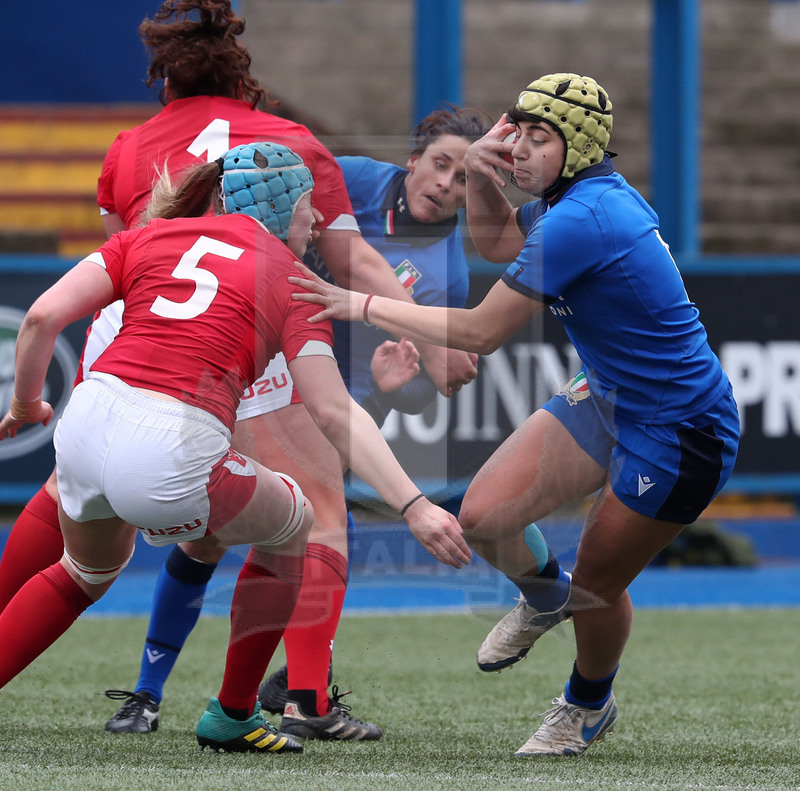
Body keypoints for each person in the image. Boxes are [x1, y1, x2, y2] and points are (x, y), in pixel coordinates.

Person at [0, 0, 476, 738]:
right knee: (307, 513)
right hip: (197, 397)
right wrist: (417, 489)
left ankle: (148, 688)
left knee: (84, 550)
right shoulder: (292, 221)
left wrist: (30, 402)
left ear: (167, 82)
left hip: (111, 375)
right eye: (309, 216)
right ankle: (278, 703)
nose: (315, 224)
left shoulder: (138, 169)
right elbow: (341, 350)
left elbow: (42, 316)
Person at [290, 73, 740, 758]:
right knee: (484, 515)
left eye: (540, 140)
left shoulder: (583, 219)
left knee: (597, 585)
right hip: (609, 393)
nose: (522, 151)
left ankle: (585, 706)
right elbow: (499, 241)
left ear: (580, 148)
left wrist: (363, 305)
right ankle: (544, 594)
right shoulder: (570, 200)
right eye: (518, 136)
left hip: (680, 429)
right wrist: (478, 172)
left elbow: (477, 333)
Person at [107, 104, 492, 742]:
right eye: (441, 164)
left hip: (305, 387)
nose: (446, 184)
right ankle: (205, 696)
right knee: (269, 529)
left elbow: (395, 399)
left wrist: (401, 392)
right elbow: (259, 188)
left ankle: (290, 692)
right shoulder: (350, 181)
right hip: (243, 358)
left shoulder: (446, 274)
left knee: (292, 521)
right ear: (413, 159)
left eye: (465, 180)